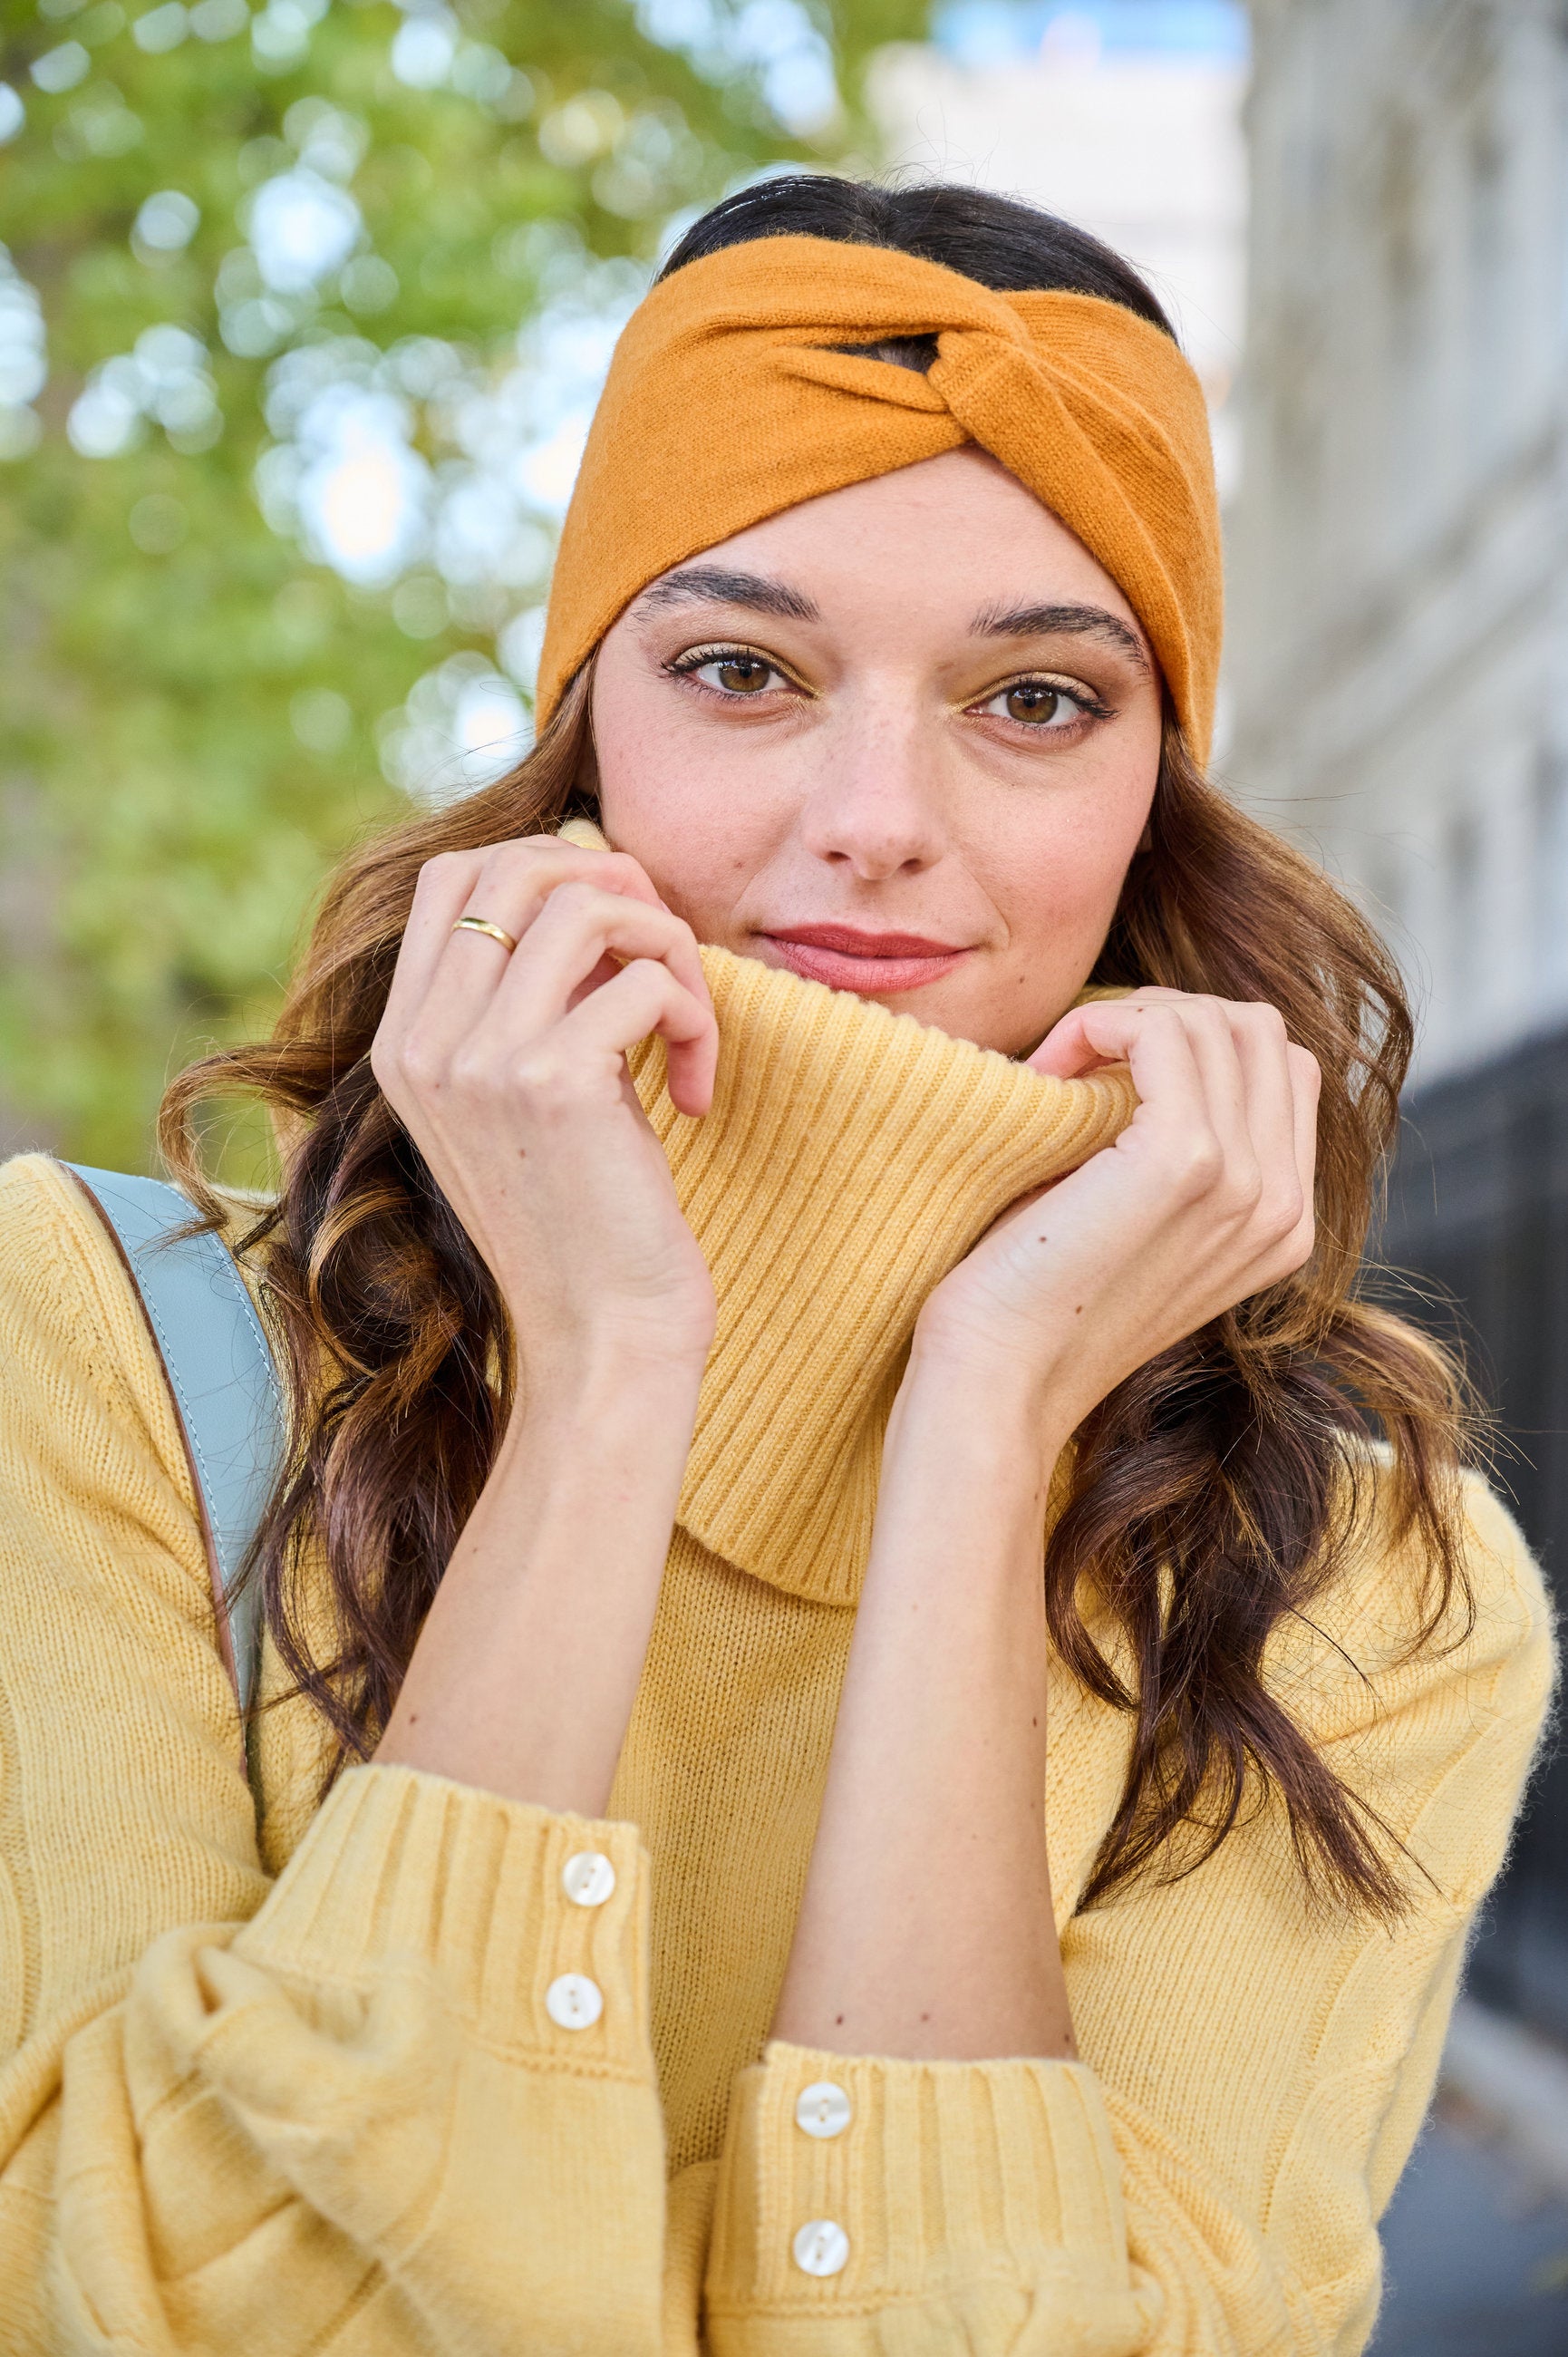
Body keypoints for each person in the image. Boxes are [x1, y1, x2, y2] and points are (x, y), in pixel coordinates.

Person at [0, 178, 1553, 2355]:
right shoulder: (98, 1356)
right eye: (743, 667)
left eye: (1032, 699)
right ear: (586, 722)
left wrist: (982, 1419)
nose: (872, 813)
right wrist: (617, 1361)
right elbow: (169, 2315)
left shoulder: (1375, 1587)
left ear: (1151, 793)